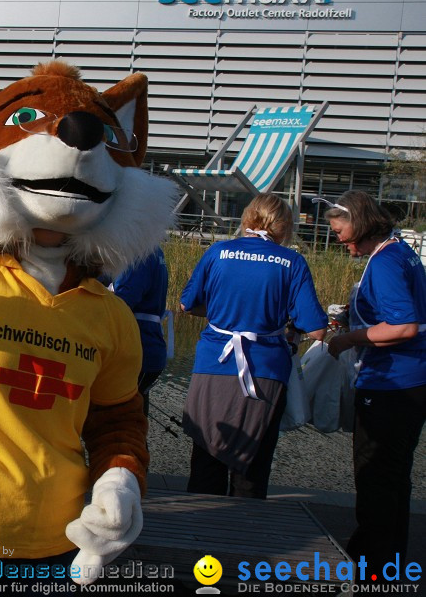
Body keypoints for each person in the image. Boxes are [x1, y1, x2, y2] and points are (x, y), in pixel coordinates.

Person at [180, 193, 327, 499]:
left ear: (247, 218)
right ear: (284, 226)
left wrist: (226, 313)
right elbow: (317, 330)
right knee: (252, 465)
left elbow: (187, 304)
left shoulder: (218, 251)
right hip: (265, 369)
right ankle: (246, 534)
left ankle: (197, 533)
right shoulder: (292, 262)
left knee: (207, 457)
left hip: (213, 365)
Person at [324, 190, 426, 573]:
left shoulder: (384, 263)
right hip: (413, 380)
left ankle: (371, 565)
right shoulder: (400, 251)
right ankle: (390, 562)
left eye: (339, 229)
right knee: (396, 477)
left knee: (375, 475)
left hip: (392, 383)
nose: (336, 236)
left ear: (360, 223)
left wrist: (349, 339)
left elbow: (404, 324)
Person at [110, 246, 169, 417]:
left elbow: (122, 301)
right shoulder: (153, 249)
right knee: (135, 422)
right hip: (149, 348)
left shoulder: (138, 253)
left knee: (122, 424)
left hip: (137, 350)